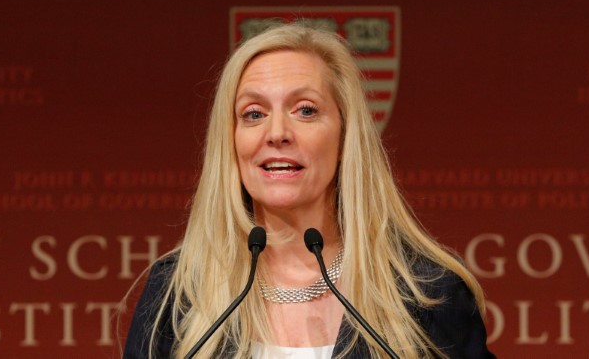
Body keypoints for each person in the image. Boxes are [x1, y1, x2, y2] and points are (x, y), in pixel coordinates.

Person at [124, 23, 495, 358]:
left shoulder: (427, 293)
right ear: (231, 141)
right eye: (254, 113)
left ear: (345, 135)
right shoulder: (176, 294)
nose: (277, 132)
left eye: (304, 110)